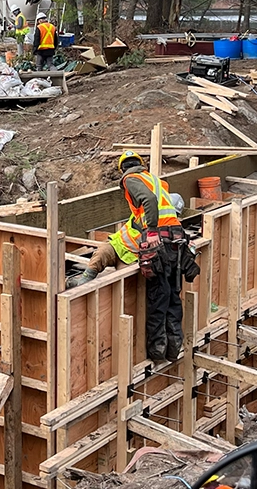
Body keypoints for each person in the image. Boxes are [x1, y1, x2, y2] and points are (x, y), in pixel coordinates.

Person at [67, 151, 195, 363]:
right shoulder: (155, 180)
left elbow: (148, 200)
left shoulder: (131, 179)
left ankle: (157, 353)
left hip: (158, 242)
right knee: (173, 298)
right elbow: (159, 206)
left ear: (122, 169)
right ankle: (173, 351)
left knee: (158, 299)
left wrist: (151, 231)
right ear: (141, 164)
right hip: (175, 239)